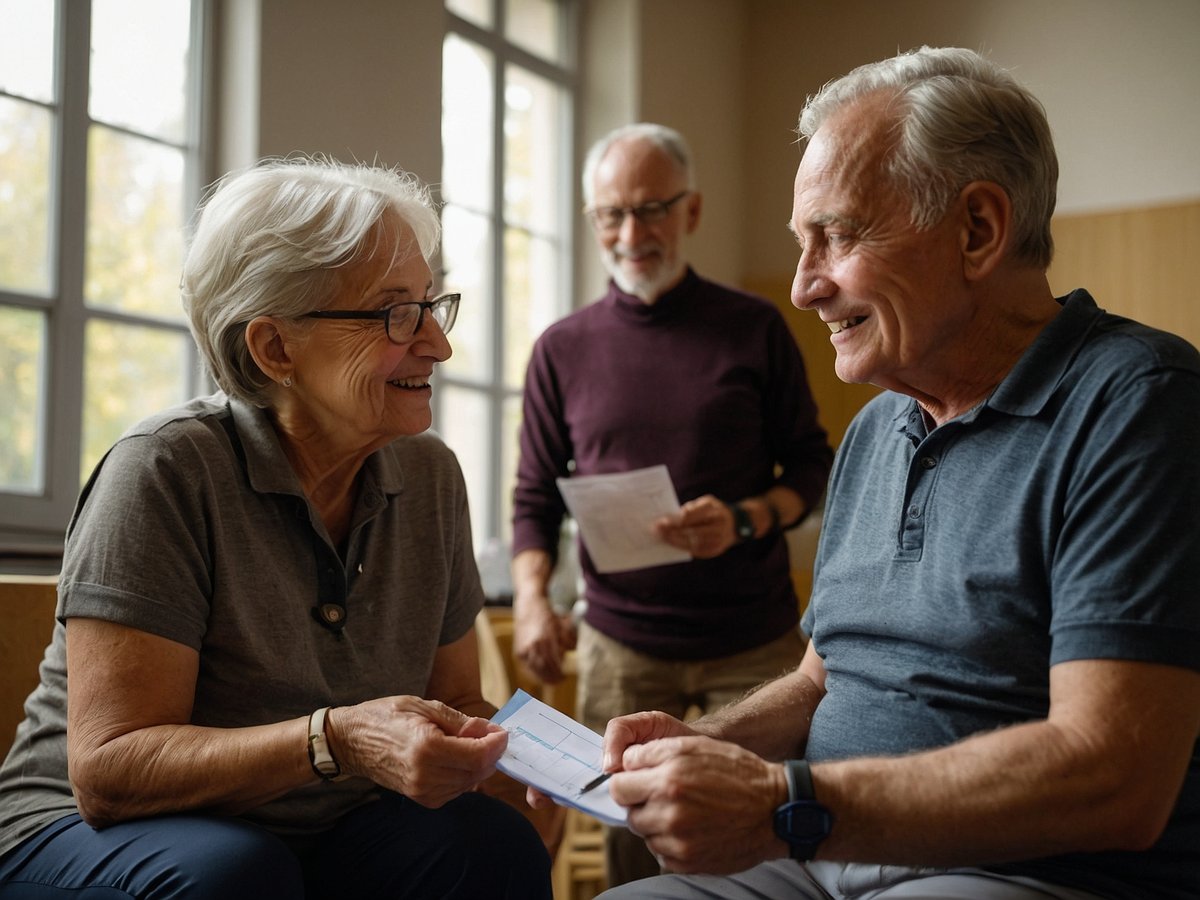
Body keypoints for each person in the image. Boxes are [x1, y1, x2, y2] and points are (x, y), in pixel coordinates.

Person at [576, 47, 1200, 900]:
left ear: (978, 230)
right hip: (818, 850)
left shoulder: (1138, 404)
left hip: (1028, 874)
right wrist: (709, 742)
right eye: (802, 244)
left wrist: (786, 804)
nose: (803, 287)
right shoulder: (876, 429)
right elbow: (822, 675)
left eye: (836, 236)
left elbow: (1114, 774)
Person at [0, 156, 552, 899]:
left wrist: (524, 767)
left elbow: (456, 702)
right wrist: (337, 739)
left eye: (431, 305)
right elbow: (110, 771)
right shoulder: (164, 470)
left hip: (318, 826)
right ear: (274, 348)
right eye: (395, 314)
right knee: (235, 876)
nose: (437, 344)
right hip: (81, 830)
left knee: (489, 842)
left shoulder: (430, 477)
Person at [511, 122, 833, 885]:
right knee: (633, 849)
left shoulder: (754, 327)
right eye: (612, 215)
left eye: (652, 209)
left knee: (763, 835)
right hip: (621, 646)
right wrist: (530, 599)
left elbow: (816, 466)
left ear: (690, 212)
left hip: (753, 646)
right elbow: (532, 493)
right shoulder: (562, 347)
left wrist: (747, 518)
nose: (632, 232)